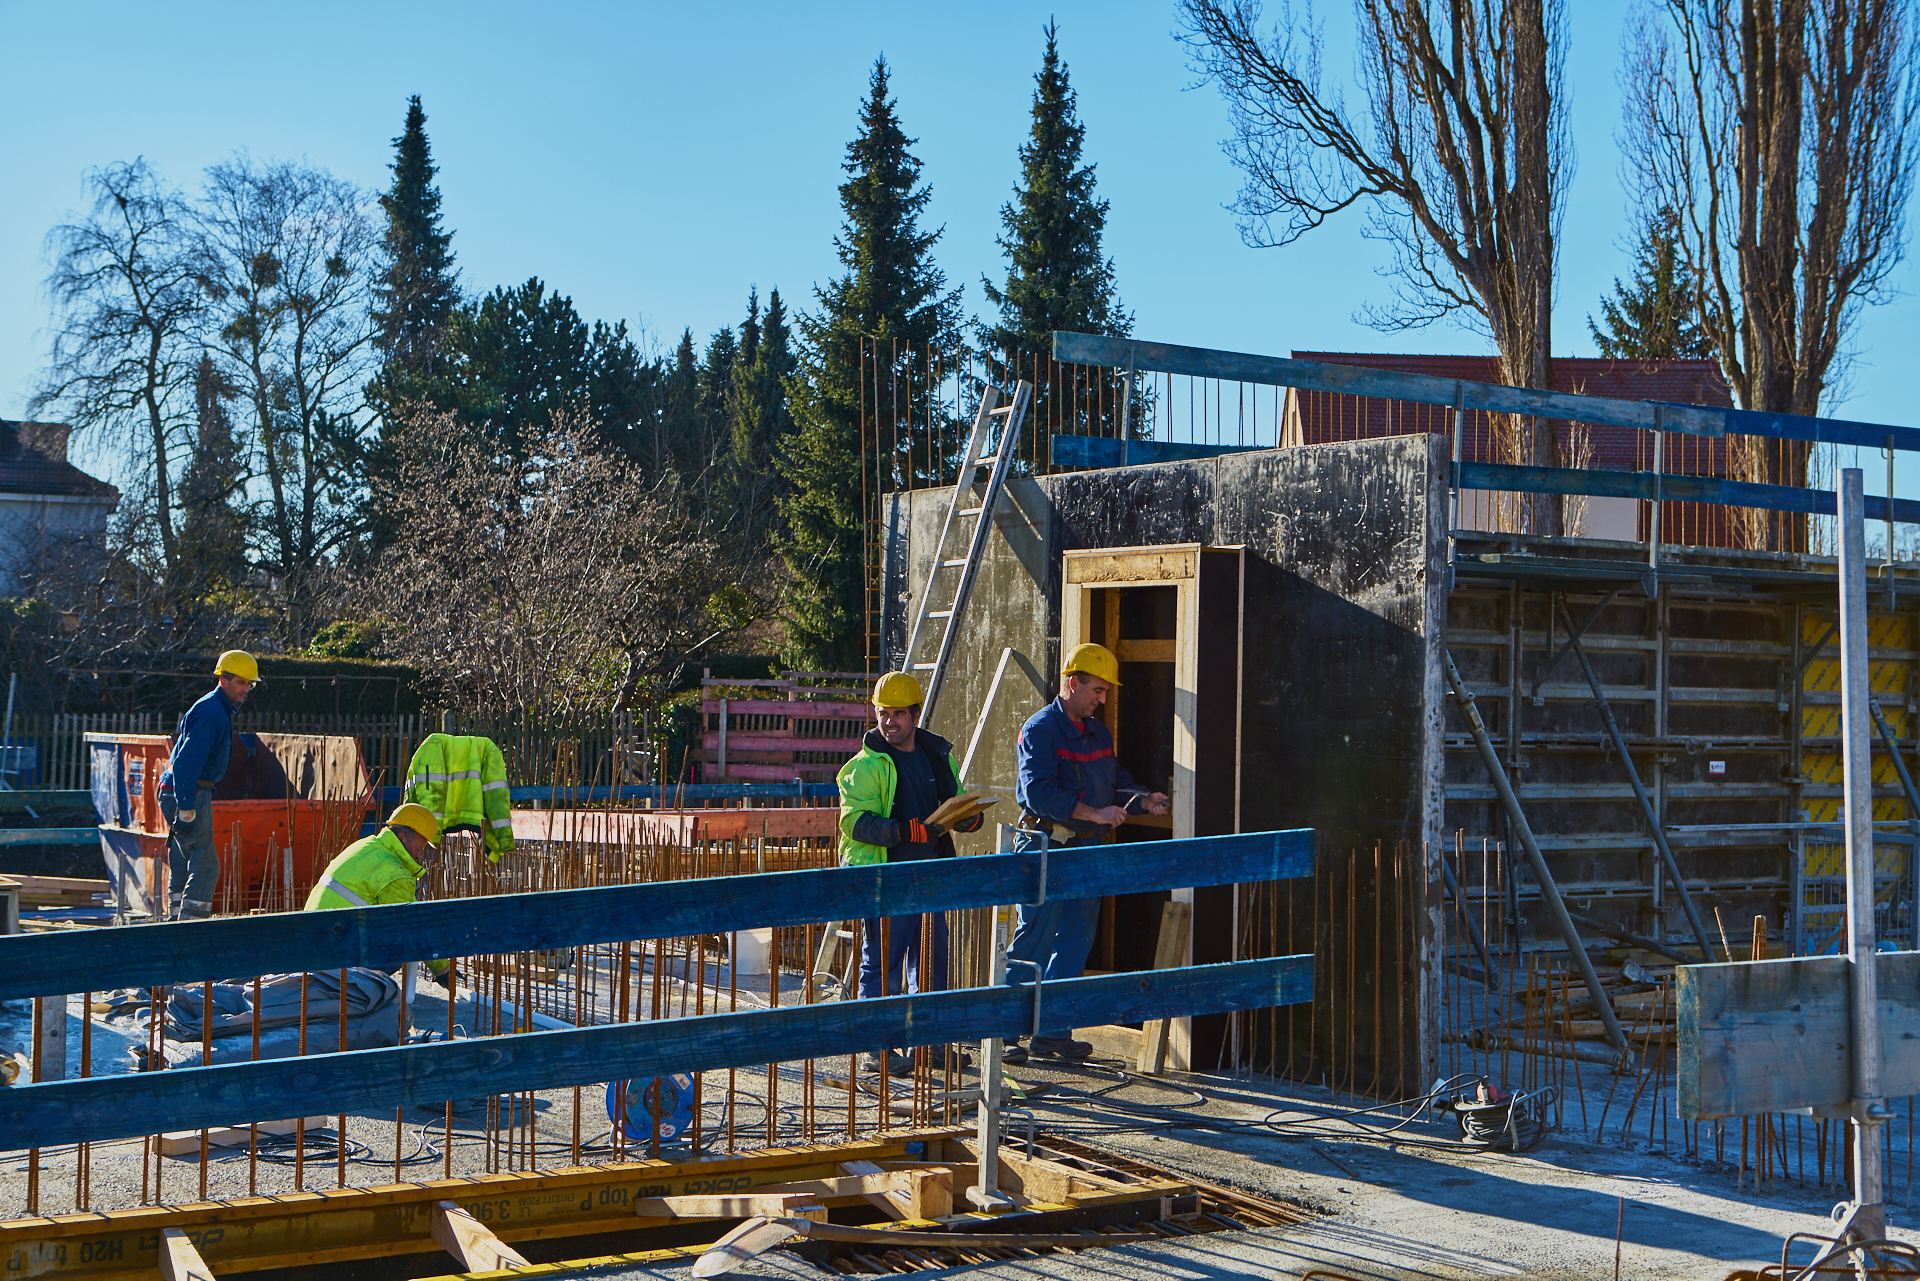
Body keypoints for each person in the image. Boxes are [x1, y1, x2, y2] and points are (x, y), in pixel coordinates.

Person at [1004, 643, 1169, 1063]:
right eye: (1098, 689)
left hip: (1086, 849)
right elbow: (1037, 792)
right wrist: (1094, 812)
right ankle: (1004, 1032)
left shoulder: (1098, 732)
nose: (1103, 698)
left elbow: (1115, 781)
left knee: (1076, 939)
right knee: (1034, 937)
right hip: (1047, 845)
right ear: (1073, 683)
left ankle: (1053, 1034)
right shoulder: (1039, 730)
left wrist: (1144, 798)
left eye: (1107, 692)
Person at [836, 670, 983, 1076]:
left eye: (899, 713)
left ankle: (929, 1045)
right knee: (882, 962)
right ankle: (877, 1047)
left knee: (932, 962)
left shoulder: (937, 756)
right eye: (884, 713)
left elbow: (955, 799)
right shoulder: (863, 766)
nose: (889, 722)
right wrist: (903, 830)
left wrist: (967, 819)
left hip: (930, 876)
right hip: (887, 877)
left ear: (916, 714)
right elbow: (856, 823)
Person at [156, 649, 258, 920]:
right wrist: (187, 806)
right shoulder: (213, 712)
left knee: (183, 858)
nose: (245, 689)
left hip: (181, 790)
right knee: (206, 864)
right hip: (188, 792)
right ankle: (191, 927)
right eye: (240, 682)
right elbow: (187, 763)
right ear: (222, 679)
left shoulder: (215, 708)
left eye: (249, 684)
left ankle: (176, 920)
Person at [305, 802, 451, 983]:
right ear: (403, 837)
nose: (419, 857)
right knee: (400, 948)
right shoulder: (394, 872)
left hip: (314, 943)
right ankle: (355, 990)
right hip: (335, 954)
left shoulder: (366, 846)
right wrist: (442, 969)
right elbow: (411, 927)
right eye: (419, 848)